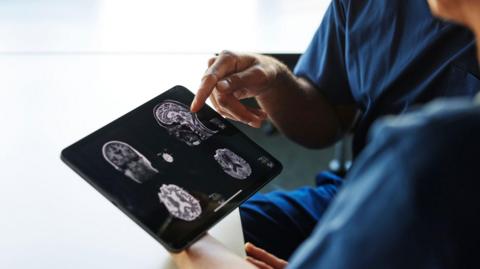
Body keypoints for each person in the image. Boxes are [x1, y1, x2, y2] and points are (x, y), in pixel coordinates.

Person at [171, 0, 480, 268]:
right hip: (354, 191)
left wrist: (192, 243)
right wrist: (273, 78)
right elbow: (328, 119)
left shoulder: (431, 144)